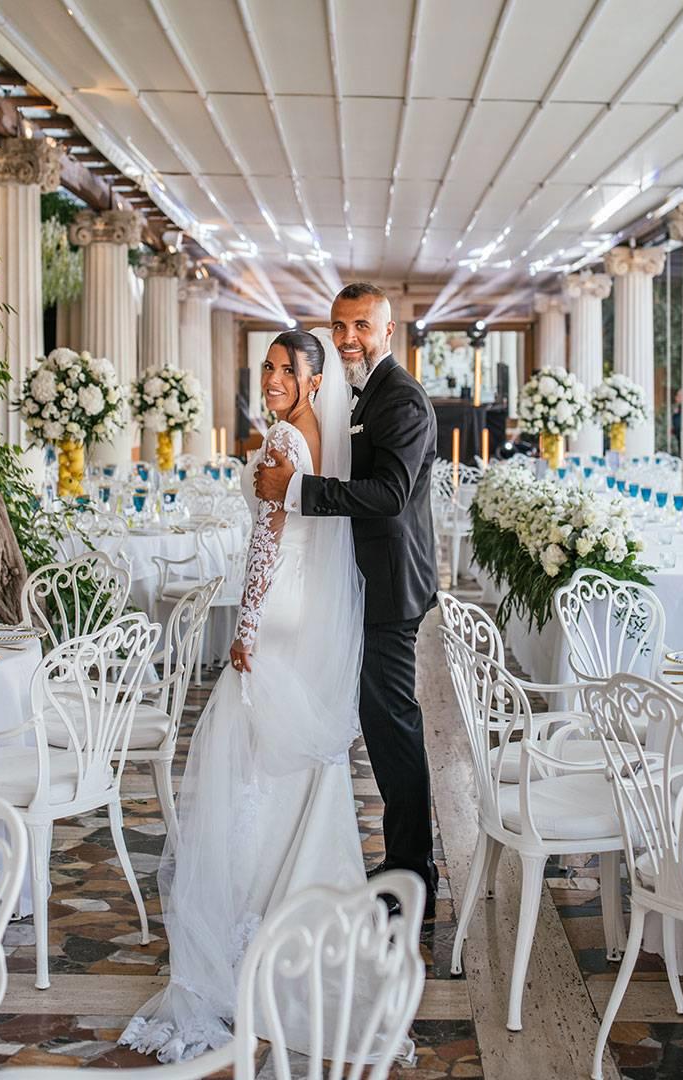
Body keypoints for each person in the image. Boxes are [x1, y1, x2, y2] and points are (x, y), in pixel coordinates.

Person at [120, 329, 368, 1062]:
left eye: (286, 369)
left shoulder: (287, 438)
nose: (271, 379)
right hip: (309, 609)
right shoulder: (325, 434)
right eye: (266, 368)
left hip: (278, 608)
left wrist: (246, 627)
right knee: (293, 766)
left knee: (249, 766)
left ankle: (248, 922)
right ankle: (297, 914)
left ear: (313, 378)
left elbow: (268, 540)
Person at [254, 282, 440, 919]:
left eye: (361, 326)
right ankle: (398, 862)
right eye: (339, 327)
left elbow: (388, 494)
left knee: (392, 724)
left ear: (388, 331)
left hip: (392, 585)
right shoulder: (356, 396)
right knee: (376, 720)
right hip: (360, 580)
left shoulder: (403, 400)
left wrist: (300, 489)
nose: (348, 338)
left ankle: (413, 871)